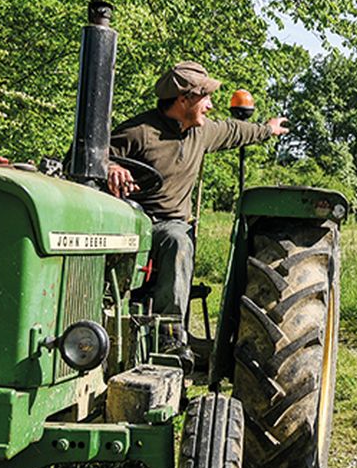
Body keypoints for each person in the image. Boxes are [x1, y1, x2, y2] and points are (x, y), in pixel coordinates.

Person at [106, 61, 287, 343]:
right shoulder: (138, 132)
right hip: (130, 223)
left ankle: (169, 336)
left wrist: (267, 130)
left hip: (169, 227)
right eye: (206, 98)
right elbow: (85, 157)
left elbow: (235, 130)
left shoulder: (201, 132)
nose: (211, 106)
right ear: (183, 99)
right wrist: (110, 167)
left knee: (178, 239)